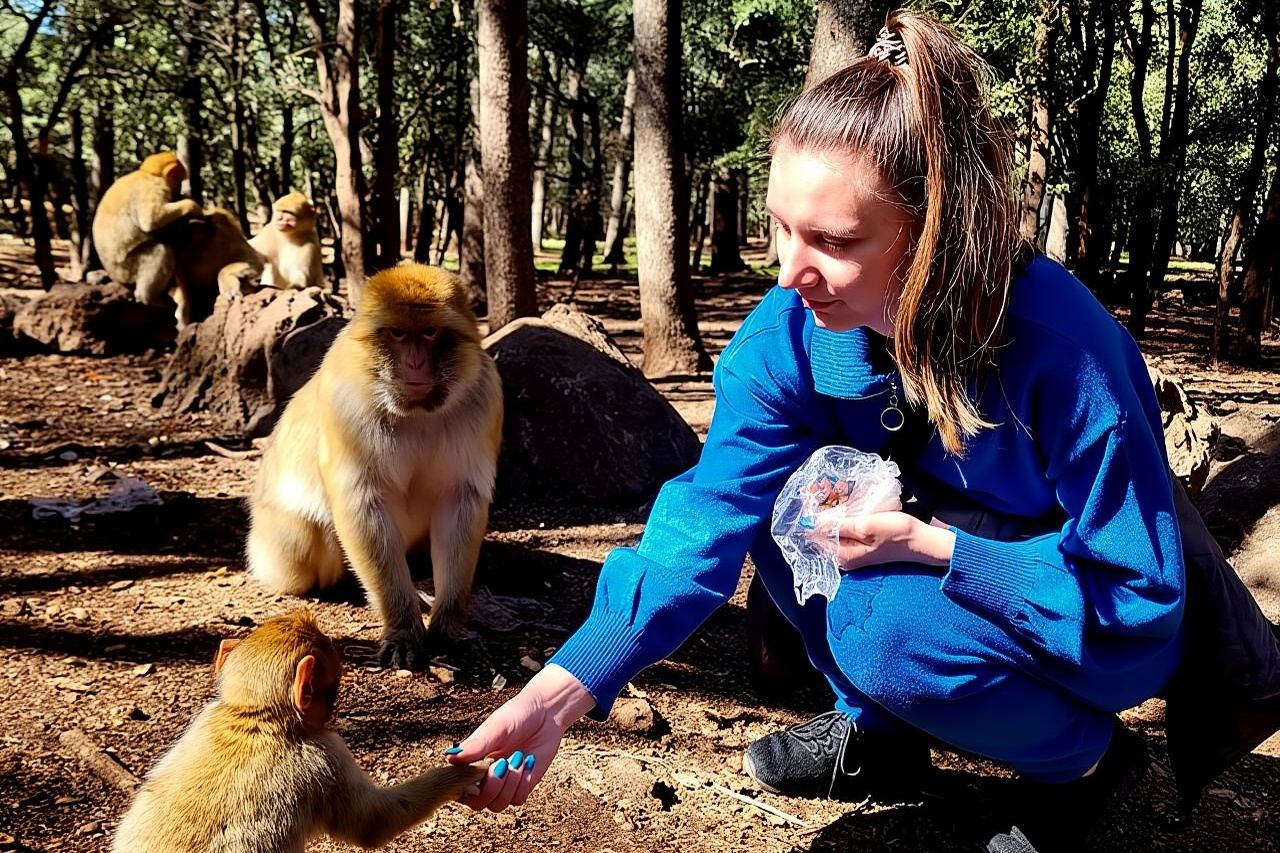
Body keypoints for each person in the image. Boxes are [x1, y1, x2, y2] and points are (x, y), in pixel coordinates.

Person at [444, 10, 1280, 852]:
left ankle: (1080, 764)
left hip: (1095, 620)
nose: (788, 273)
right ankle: (881, 737)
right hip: (941, 553)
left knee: (884, 629)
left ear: (935, 230)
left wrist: (937, 545)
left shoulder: (1063, 349)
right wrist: (559, 693)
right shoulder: (790, 334)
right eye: (782, 226)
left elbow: (1138, 593)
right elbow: (707, 516)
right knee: (786, 500)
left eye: (834, 240)